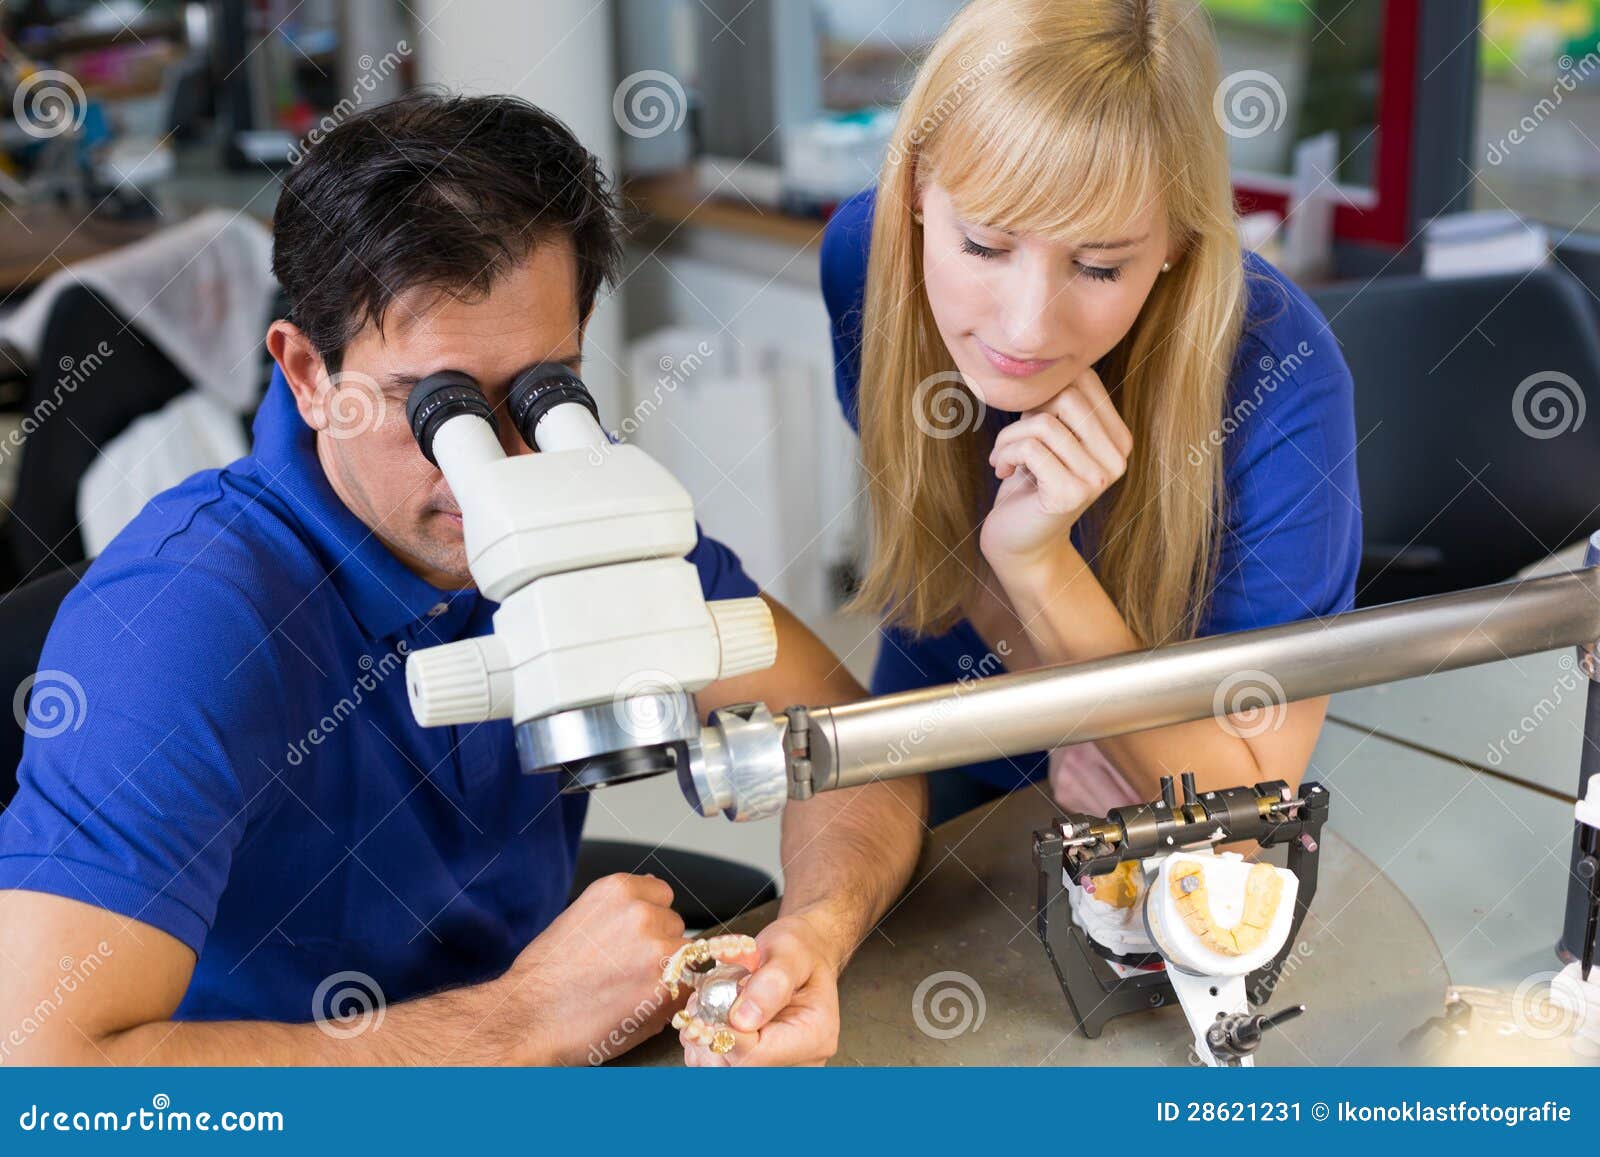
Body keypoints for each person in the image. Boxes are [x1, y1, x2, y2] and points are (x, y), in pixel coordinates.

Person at [0, 92, 925, 1066]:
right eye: (432, 403)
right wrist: (518, 1019)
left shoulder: (568, 487)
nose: (494, 458)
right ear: (309, 372)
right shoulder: (184, 616)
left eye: (542, 385)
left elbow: (851, 742)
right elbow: (43, 1078)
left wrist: (811, 936)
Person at [821, 0, 1361, 826]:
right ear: (918, 182)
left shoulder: (1282, 377)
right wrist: (1074, 703)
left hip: (1149, 815)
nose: (1026, 327)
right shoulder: (867, 254)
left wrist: (1045, 573)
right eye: (985, 247)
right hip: (940, 720)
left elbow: (1248, 815)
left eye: (1100, 266)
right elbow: (935, 528)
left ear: (1179, 239)